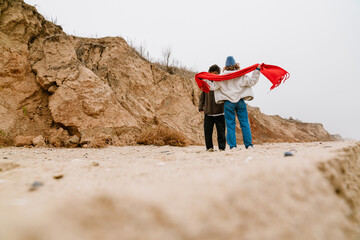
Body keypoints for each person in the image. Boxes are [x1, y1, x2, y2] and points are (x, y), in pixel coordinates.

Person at [205, 56, 261, 150]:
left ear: (225, 67)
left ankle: (233, 147)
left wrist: (204, 79)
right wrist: (257, 70)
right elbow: (252, 82)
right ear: (236, 65)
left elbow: (213, 87)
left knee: (231, 125)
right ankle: (249, 145)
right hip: (240, 102)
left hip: (228, 103)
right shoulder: (241, 75)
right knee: (245, 124)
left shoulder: (223, 77)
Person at [198, 64, 226, 152]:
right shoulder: (206, 84)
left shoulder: (221, 83)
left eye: (216, 73)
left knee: (221, 132)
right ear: (209, 73)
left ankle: (222, 148)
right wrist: (201, 107)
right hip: (208, 112)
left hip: (220, 112)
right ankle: (209, 148)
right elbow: (202, 96)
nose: (215, 75)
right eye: (213, 73)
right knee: (207, 132)